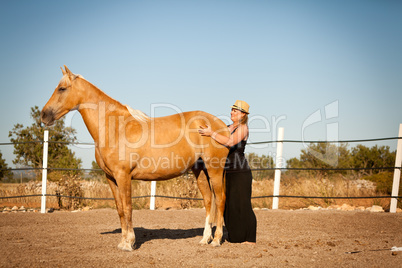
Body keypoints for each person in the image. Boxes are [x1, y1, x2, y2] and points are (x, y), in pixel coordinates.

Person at [198, 100, 257, 244]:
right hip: (225, 171)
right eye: (232, 110)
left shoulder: (243, 128)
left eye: (235, 111)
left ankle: (249, 238)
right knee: (228, 205)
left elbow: (230, 142)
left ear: (243, 114)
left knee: (242, 204)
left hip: (239, 172)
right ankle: (235, 237)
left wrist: (211, 133)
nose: (232, 112)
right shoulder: (227, 127)